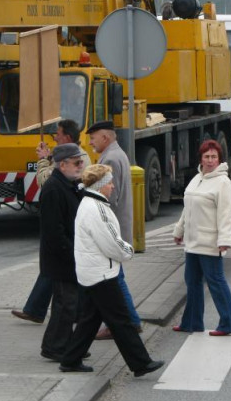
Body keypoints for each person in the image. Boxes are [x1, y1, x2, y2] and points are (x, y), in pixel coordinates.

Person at [59, 164, 164, 377]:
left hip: (92, 273)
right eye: (109, 182)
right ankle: (140, 363)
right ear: (100, 186)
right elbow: (112, 244)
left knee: (89, 320)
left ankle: (70, 359)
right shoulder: (96, 209)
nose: (113, 186)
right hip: (102, 274)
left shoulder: (89, 203)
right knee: (121, 321)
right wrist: (129, 251)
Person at [11, 119, 91, 325]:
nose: (54, 136)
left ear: (68, 138)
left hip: (70, 232)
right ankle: (38, 310)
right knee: (54, 272)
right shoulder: (71, 158)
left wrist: (43, 161)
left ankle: (65, 315)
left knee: (60, 275)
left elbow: (44, 180)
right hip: (68, 235)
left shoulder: (71, 161)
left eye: (58, 133)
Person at [172, 139, 231, 336]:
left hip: (210, 243)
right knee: (191, 282)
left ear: (219, 159)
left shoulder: (223, 183)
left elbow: (226, 214)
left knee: (216, 282)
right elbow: (187, 209)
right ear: (201, 158)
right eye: (206, 157)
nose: (210, 161)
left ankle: (229, 324)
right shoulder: (196, 178)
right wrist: (179, 231)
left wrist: (225, 241)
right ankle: (192, 322)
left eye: (214, 157)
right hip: (192, 243)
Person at [87, 121, 142, 339]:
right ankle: (120, 321)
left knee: (115, 278)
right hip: (117, 228)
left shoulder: (110, 158)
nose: (90, 142)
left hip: (112, 229)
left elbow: (111, 198)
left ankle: (129, 321)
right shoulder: (117, 154)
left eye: (93, 138)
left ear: (105, 138)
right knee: (113, 277)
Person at [39, 143, 85, 361]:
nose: (81, 166)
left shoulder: (69, 184)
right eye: (77, 163)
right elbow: (54, 231)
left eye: (81, 161)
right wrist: (70, 254)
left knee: (68, 304)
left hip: (68, 255)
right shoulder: (54, 189)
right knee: (65, 304)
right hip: (61, 257)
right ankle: (55, 347)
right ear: (63, 164)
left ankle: (64, 344)